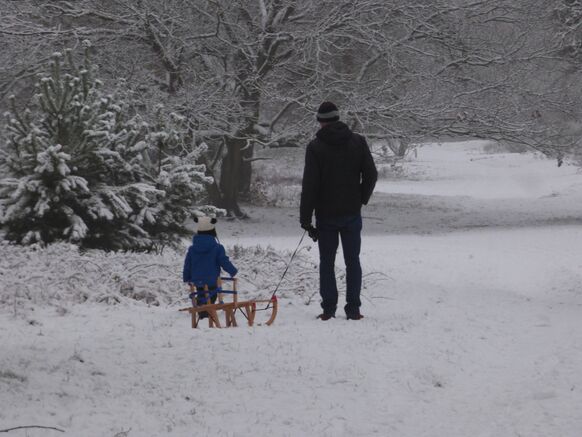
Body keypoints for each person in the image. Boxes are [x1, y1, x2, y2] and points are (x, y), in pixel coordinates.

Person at [300, 101, 377, 321]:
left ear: (321, 121)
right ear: (338, 118)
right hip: (352, 213)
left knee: (327, 261)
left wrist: (305, 220)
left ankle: (328, 309)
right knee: (353, 260)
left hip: (326, 215)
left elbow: (310, 186)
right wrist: (360, 198)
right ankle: (353, 309)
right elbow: (371, 175)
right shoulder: (358, 142)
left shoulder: (315, 147)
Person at [182, 216, 238, 318]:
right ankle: (206, 312)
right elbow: (223, 261)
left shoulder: (192, 249)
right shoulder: (217, 248)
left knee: (201, 293)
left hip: (197, 280)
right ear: (212, 231)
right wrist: (233, 271)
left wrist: (186, 277)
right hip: (212, 280)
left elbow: (187, 264)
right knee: (212, 294)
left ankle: (201, 309)